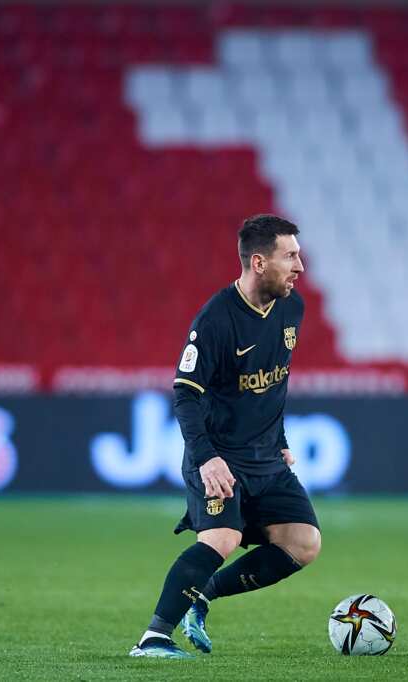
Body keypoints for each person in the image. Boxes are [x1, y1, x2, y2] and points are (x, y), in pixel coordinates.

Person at [129, 214, 322, 658]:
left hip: (267, 459)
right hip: (220, 457)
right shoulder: (216, 320)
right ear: (258, 262)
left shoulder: (292, 308)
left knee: (303, 542)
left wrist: (282, 438)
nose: (300, 267)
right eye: (290, 256)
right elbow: (185, 394)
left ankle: (203, 595)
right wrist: (206, 459)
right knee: (222, 538)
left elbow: (274, 383)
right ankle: (153, 638)